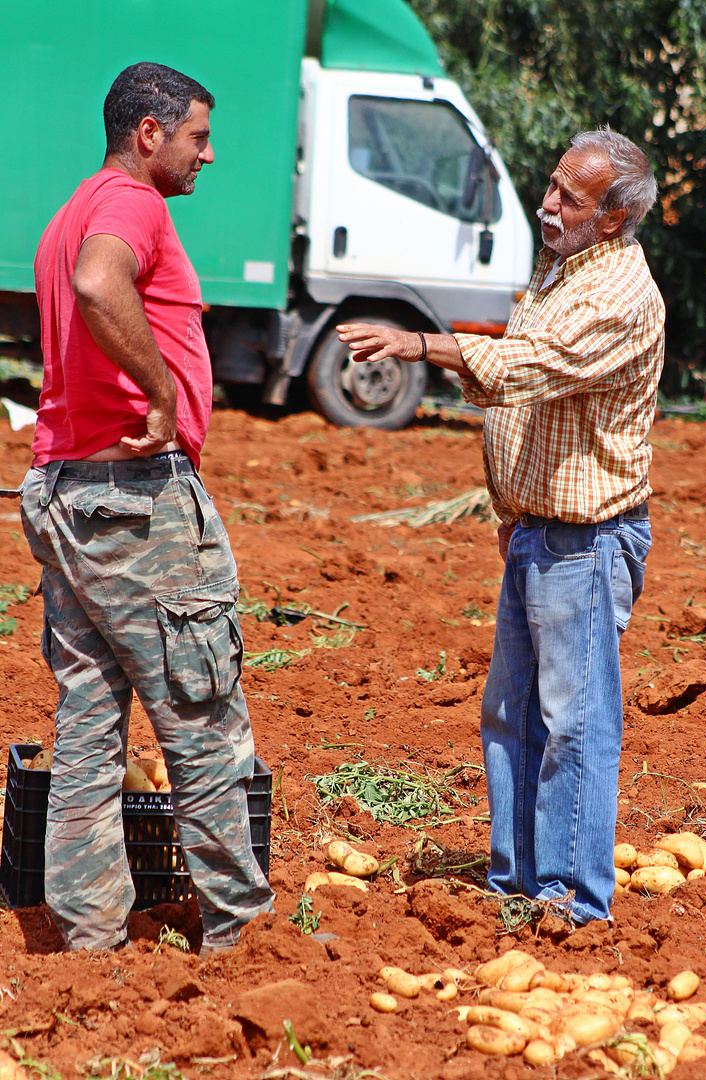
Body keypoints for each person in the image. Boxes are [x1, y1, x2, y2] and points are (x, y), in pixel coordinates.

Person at [337, 127, 665, 925]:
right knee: (510, 716)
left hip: (583, 545)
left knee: (574, 728)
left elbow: (526, 368)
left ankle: (574, 903)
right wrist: (512, 515)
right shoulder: (564, 269)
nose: (548, 205)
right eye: (551, 186)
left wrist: (418, 344)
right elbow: (526, 372)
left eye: (570, 199)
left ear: (614, 218)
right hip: (537, 536)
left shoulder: (618, 294)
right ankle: (517, 879)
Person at [20, 62, 274, 952]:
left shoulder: (69, 211)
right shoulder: (133, 206)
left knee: (90, 718)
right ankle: (243, 935)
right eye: (199, 136)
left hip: (66, 490)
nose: (210, 153)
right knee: (202, 713)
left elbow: (84, 283)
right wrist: (162, 395)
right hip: (133, 503)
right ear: (149, 133)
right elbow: (100, 284)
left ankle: (87, 938)